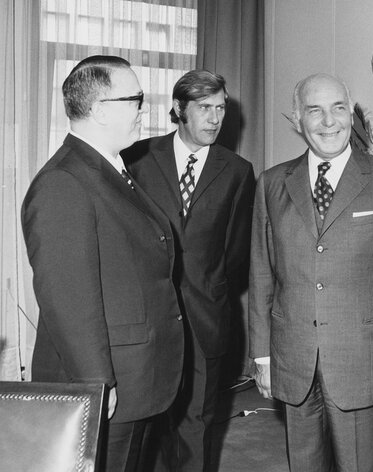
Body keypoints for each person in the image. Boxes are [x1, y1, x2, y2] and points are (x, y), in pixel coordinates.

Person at [249, 73, 373, 472]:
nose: (329, 121)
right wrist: (262, 355)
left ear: (353, 114)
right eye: (315, 110)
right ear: (297, 120)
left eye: (339, 108)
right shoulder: (272, 183)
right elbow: (261, 274)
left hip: (365, 360)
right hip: (293, 360)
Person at [21, 55, 185, 471]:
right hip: (111, 384)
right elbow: (68, 299)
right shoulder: (65, 182)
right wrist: (98, 383)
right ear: (99, 109)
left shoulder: (108, 169)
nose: (144, 110)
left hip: (137, 377)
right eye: (136, 99)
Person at [123, 69, 255, 471]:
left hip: (204, 317)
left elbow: (236, 253)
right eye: (204, 108)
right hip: (146, 318)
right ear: (179, 109)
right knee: (142, 426)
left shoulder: (237, 171)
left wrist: (208, 288)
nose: (215, 118)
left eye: (220, 108)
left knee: (196, 422)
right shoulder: (137, 158)